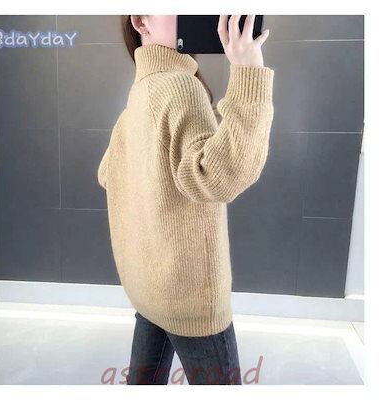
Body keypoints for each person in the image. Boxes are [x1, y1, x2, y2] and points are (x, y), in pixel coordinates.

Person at [97, 15, 274, 385]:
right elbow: (217, 178)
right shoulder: (180, 86)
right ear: (141, 21)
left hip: (149, 289)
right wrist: (248, 72)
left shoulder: (139, 94)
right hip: (190, 297)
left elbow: (108, 174)